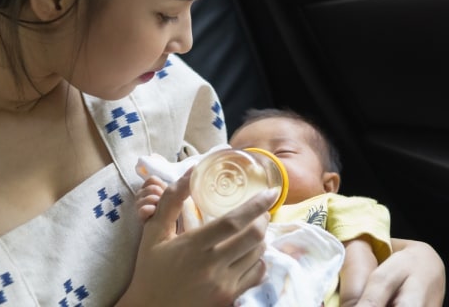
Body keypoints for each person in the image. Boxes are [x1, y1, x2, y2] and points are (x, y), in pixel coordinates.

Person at [0, 0, 445, 306]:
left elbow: (278, 239)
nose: (186, 40)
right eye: (167, 13)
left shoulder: (159, 92)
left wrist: (411, 259)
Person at [136, 108, 392, 307]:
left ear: (328, 184)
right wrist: (167, 206)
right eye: (243, 156)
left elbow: (357, 253)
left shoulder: (331, 204)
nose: (258, 162)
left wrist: (355, 300)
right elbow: (187, 247)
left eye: (282, 152)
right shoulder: (223, 214)